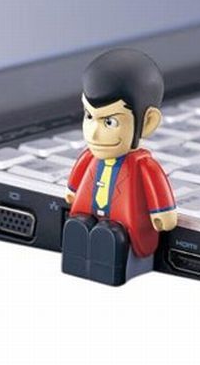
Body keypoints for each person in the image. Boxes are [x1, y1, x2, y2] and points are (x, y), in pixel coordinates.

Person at [62, 48, 178, 285]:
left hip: (124, 223)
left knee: (112, 237)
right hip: (88, 211)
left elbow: (155, 187)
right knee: (77, 227)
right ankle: (78, 263)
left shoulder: (143, 165)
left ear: (147, 122)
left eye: (110, 121)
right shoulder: (90, 157)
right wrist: (72, 191)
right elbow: (79, 174)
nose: (93, 133)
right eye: (89, 116)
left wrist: (162, 213)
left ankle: (110, 271)